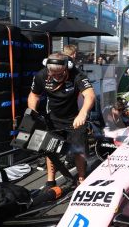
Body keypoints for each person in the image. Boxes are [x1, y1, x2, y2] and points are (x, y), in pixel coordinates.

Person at [28, 53, 96, 187]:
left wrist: (83, 114)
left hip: (75, 118)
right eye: (53, 73)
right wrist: (33, 113)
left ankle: (81, 177)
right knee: (50, 149)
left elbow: (90, 95)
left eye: (60, 74)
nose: (56, 76)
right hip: (53, 118)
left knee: (78, 149)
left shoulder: (77, 75)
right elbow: (33, 96)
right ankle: (50, 180)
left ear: (67, 67)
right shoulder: (41, 75)